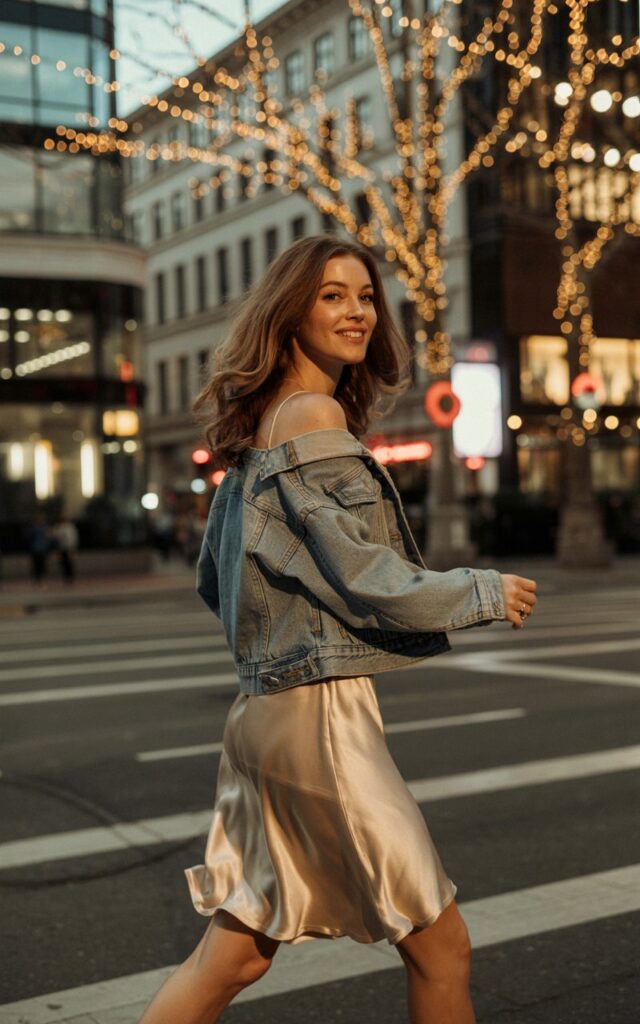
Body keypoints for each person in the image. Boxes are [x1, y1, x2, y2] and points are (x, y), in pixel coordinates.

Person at [138, 235, 537, 1024]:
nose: (357, 311)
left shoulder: (260, 430)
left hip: (263, 715)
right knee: (441, 944)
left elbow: (212, 582)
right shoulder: (312, 414)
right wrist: (481, 590)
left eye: (365, 295)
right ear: (291, 310)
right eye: (333, 295)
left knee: (236, 954)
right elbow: (365, 574)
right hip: (318, 717)